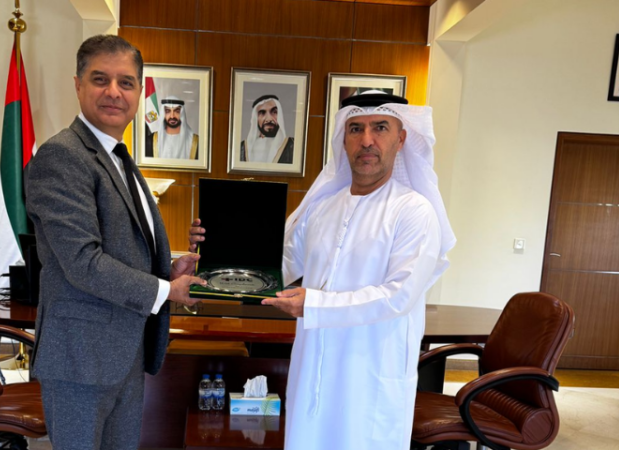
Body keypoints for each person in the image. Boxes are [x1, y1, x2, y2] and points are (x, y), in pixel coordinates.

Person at [190, 91, 456, 449]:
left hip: (369, 378)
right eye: (355, 129)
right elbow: (276, 267)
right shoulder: (321, 208)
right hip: (313, 368)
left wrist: (314, 305)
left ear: (401, 138)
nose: (367, 140)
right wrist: (214, 256)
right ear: (343, 139)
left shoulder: (414, 212)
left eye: (380, 128)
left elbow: (398, 296)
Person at [25, 35, 205, 450]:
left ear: (139, 92)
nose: (113, 92)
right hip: (80, 359)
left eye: (126, 82)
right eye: (100, 79)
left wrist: (168, 271)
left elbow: (123, 250)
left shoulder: (118, 157)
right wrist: (166, 291)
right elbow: (83, 262)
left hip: (125, 350)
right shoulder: (62, 156)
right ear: (78, 85)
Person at [240, 94, 294, 163]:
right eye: (262, 113)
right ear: (255, 118)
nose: (269, 119)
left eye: (274, 112)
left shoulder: (292, 145)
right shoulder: (243, 148)